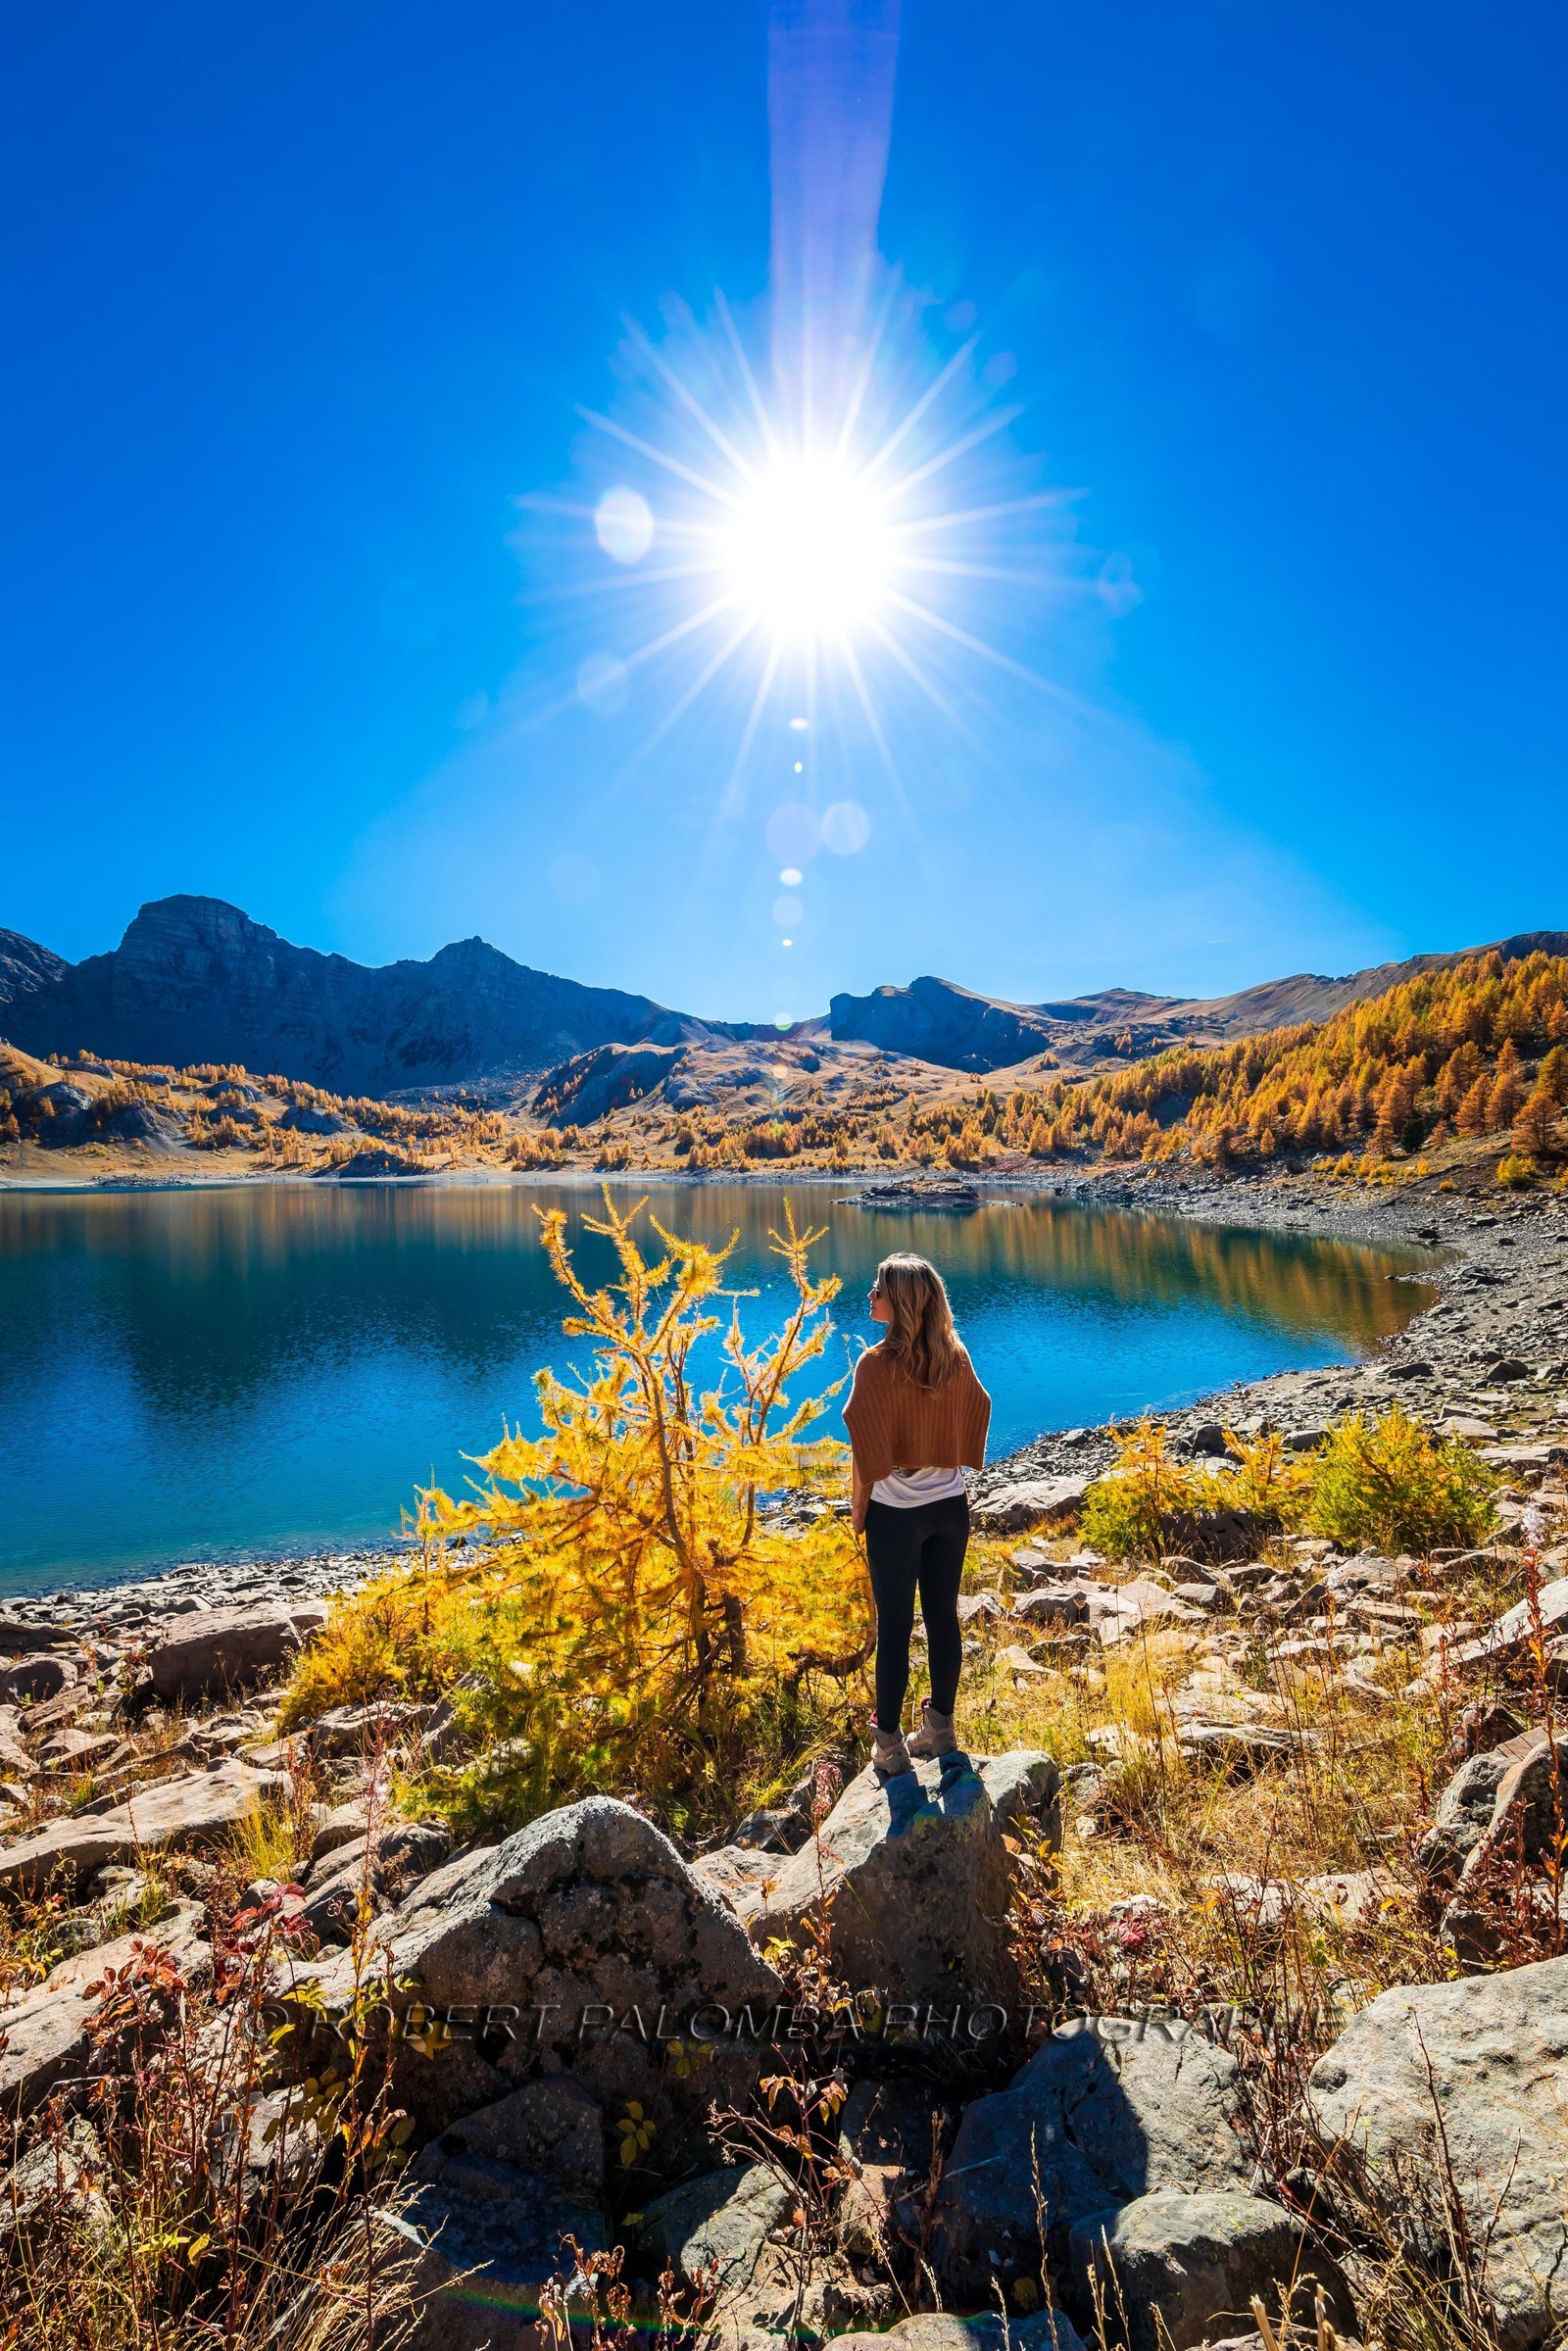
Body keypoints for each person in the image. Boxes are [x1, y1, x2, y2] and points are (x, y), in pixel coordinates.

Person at [842, 1251, 991, 1777]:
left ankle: (889, 1747)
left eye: (878, 1289)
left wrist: (863, 1503)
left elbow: (863, 1441)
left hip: (898, 1517)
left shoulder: (875, 1365)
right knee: (943, 1619)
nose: (870, 1296)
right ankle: (940, 1728)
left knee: (895, 1629)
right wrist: (949, 1449)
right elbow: (980, 1406)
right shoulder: (955, 1356)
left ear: (899, 1302)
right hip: (950, 1509)